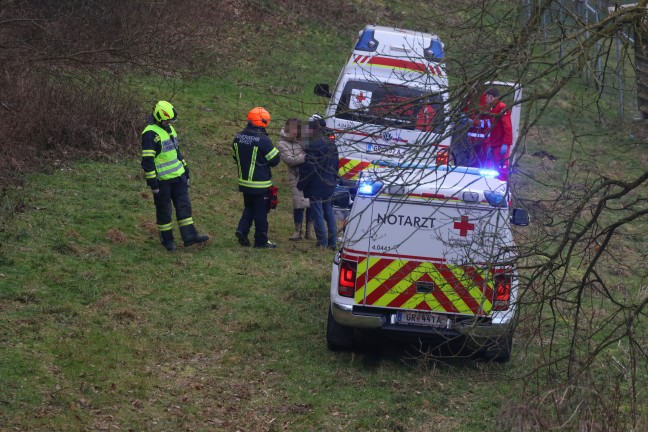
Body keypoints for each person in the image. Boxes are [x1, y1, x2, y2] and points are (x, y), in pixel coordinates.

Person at [140, 100, 209, 251]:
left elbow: (176, 152)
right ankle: (167, 241)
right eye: (167, 120)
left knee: (184, 208)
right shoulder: (149, 134)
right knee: (164, 212)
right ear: (159, 117)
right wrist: (153, 183)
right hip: (162, 181)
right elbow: (147, 161)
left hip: (178, 178)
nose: (170, 122)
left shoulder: (169, 129)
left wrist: (185, 169)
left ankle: (190, 237)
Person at [232, 106, 280, 249]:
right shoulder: (263, 140)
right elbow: (275, 160)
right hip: (260, 184)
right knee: (261, 213)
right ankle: (261, 241)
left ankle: (242, 230)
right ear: (264, 122)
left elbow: (235, 157)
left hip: (244, 182)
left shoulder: (238, 136)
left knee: (249, 207)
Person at [298, 118, 339, 250]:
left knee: (317, 213)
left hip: (316, 184)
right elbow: (336, 165)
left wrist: (302, 183)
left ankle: (322, 242)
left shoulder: (313, 144)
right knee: (329, 212)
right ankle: (333, 242)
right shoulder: (331, 143)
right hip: (329, 183)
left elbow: (309, 167)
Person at [277, 118, 312, 241]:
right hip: (295, 177)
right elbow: (290, 160)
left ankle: (309, 232)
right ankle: (298, 231)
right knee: (298, 203)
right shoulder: (282, 144)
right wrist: (305, 155)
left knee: (309, 203)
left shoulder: (303, 139)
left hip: (308, 175)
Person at [480, 88, 513, 169]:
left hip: (500, 144)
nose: (486, 100)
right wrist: (491, 145)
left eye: (486, 98)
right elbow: (492, 128)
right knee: (494, 167)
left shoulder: (501, 108)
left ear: (491, 97)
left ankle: (502, 182)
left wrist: (505, 143)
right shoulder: (493, 109)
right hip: (495, 143)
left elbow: (507, 127)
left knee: (502, 167)